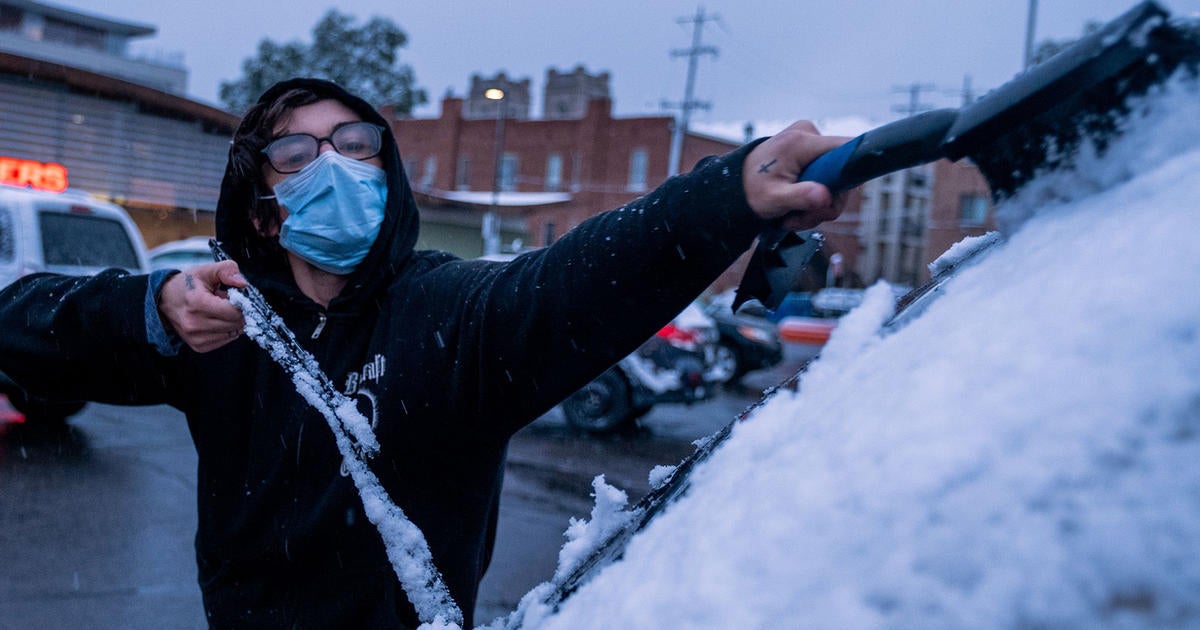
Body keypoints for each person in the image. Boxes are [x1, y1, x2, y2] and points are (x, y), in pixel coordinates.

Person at [0, 78, 846, 628]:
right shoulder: (223, 321)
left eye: (356, 143)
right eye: (296, 154)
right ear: (263, 210)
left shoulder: (446, 311)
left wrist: (725, 195)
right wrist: (148, 307)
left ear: (386, 174)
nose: (335, 165)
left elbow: (573, 279)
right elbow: (24, 321)